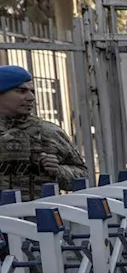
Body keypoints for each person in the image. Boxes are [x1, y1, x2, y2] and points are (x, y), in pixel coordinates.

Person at [0, 65, 88, 200]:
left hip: (40, 216)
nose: (31, 98)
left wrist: (57, 170)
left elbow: (83, 176)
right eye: (21, 91)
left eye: (32, 91)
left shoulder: (50, 132)